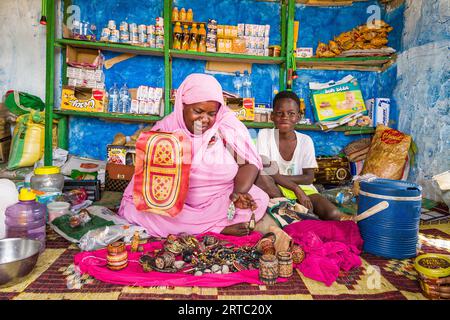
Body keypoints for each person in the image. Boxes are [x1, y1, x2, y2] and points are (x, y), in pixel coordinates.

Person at [118, 73, 269, 237]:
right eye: (198, 111)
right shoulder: (165, 130)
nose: (205, 119)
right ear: (182, 105)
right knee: (141, 211)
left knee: (258, 200)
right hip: (176, 204)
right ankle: (215, 229)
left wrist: (237, 194)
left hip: (218, 200)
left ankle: (196, 228)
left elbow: (248, 164)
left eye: (212, 114)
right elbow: (152, 184)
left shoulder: (224, 125)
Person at [255, 90, 344, 221]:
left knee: (333, 214)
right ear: (272, 116)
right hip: (275, 189)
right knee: (262, 177)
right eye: (280, 113)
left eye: (291, 113)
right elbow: (267, 170)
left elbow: (308, 178)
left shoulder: (305, 140)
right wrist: (295, 188)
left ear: (298, 117)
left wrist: (281, 178)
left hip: (304, 189)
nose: (285, 117)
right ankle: (292, 211)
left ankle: (292, 212)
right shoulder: (264, 135)